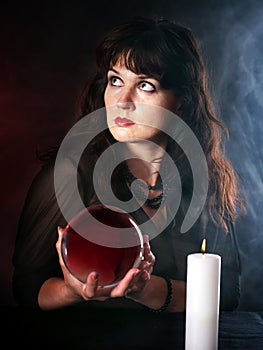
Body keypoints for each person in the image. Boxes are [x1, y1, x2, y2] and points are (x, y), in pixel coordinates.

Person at [12, 17, 245, 313]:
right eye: (115, 80)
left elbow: (226, 295)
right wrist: (71, 291)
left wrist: (146, 290)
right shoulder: (72, 174)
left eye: (145, 85)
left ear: (181, 102)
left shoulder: (206, 180)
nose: (123, 100)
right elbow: (26, 288)